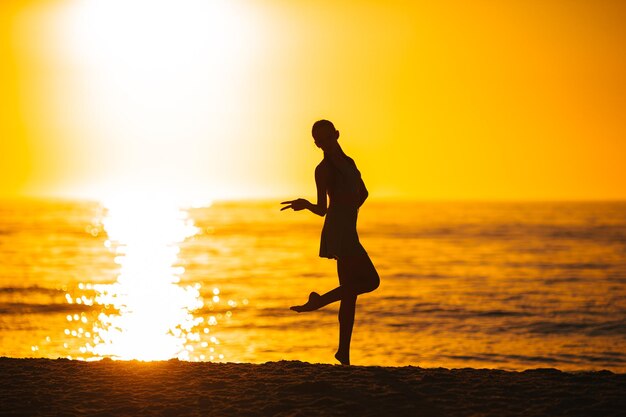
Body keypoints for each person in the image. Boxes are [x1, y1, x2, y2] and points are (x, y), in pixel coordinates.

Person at [281, 119, 380, 365]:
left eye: (328, 137)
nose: (324, 143)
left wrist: (349, 210)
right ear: (316, 144)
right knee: (370, 281)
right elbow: (323, 209)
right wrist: (305, 205)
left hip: (347, 228)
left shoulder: (350, 163)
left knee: (350, 294)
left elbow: (364, 193)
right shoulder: (323, 169)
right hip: (338, 231)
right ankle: (319, 302)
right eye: (319, 141)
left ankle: (343, 353)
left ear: (337, 134)